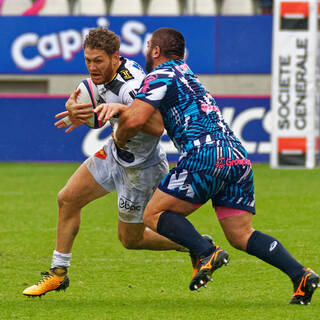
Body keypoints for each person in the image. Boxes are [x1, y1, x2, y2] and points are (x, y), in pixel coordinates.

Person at [97, 27, 319, 305]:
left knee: (153, 214)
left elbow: (136, 120)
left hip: (205, 155)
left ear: (155, 50)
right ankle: (300, 275)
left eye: (147, 46)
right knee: (240, 234)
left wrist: (118, 138)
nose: (145, 52)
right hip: (236, 156)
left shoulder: (159, 75)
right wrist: (121, 109)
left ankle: (206, 250)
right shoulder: (189, 74)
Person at [22, 27, 193, 298]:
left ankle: (192, 244)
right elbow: (88, 93)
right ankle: (58, 274)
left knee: (131, 240)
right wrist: (74, 108)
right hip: (114, 152)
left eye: (98, 61)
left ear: (115, 57)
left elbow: (157, 126)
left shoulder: (131, 85)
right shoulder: (101, 76)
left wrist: (121, 110)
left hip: (141, 169)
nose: (92, 67)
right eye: (88, 60)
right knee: (67, 199)